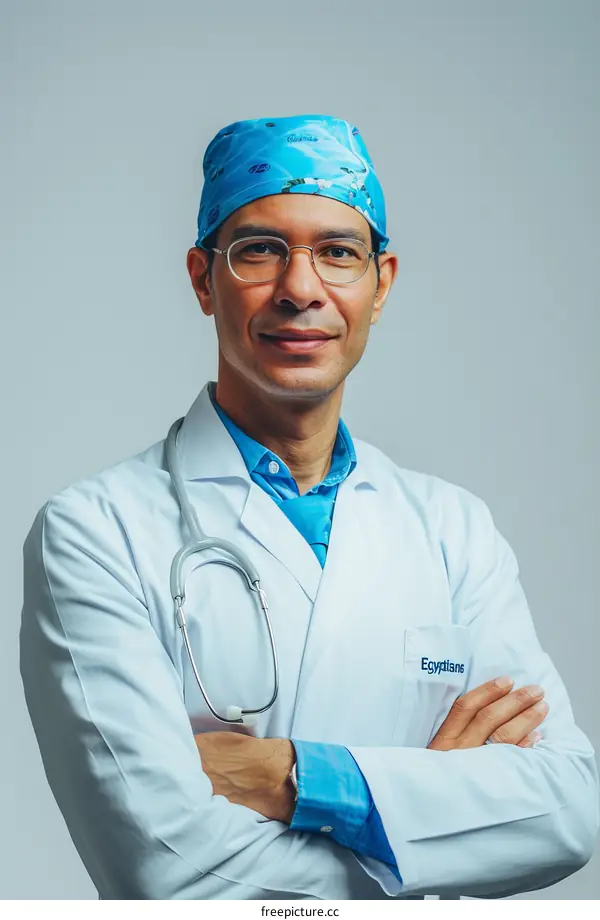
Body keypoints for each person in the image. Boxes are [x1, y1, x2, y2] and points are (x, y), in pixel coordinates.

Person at [20, 113, 598, 901]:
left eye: (338, 252)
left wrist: (294, 778)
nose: (301, 289)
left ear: (381, 282)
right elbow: (165, 869)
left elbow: (568, 810)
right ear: (202, 279)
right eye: (260, 250)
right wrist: (429, 820)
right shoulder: (95, 532)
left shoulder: (454, 531)